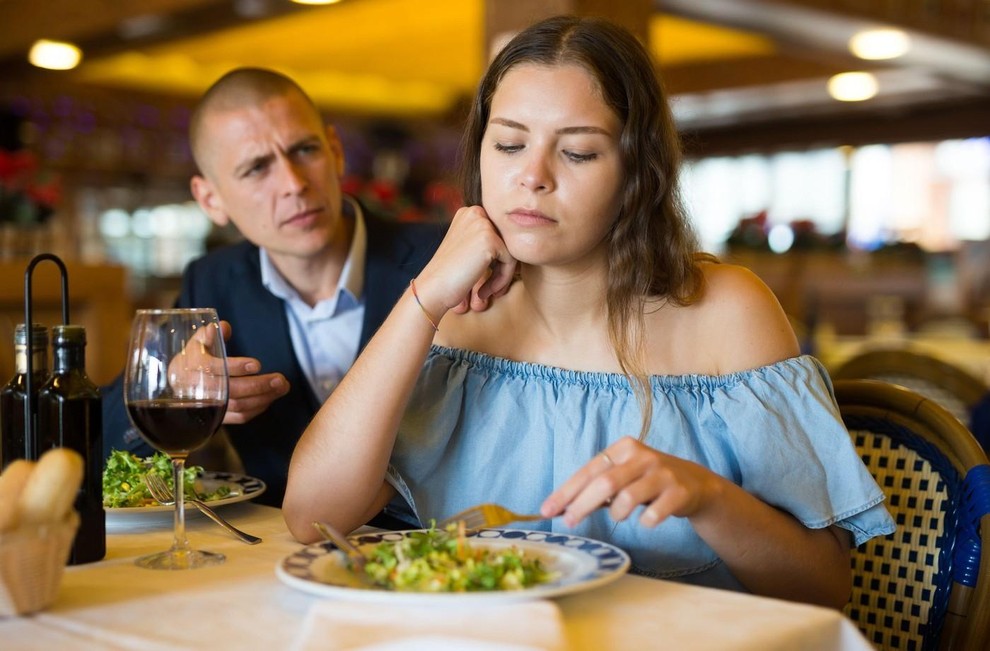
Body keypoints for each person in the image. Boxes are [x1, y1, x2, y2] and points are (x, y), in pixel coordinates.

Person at [282, 16, 895, 607]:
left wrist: (706, 497)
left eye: (577, 153)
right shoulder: (459, 316)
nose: (532, 176)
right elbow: (313, 517)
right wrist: (421, 302)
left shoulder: (727, 311)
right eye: (510, 144)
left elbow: (822, 586)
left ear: (637, 172)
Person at [102, 68, 444, 515]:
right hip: (280, 556)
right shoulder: (212, 283)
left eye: (305, 150)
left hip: (445, 551)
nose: (293, 183)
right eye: (256, 168)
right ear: (211, 201)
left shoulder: (440, 258)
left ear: (336, 152)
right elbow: (98, 447)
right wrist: (173, 385)